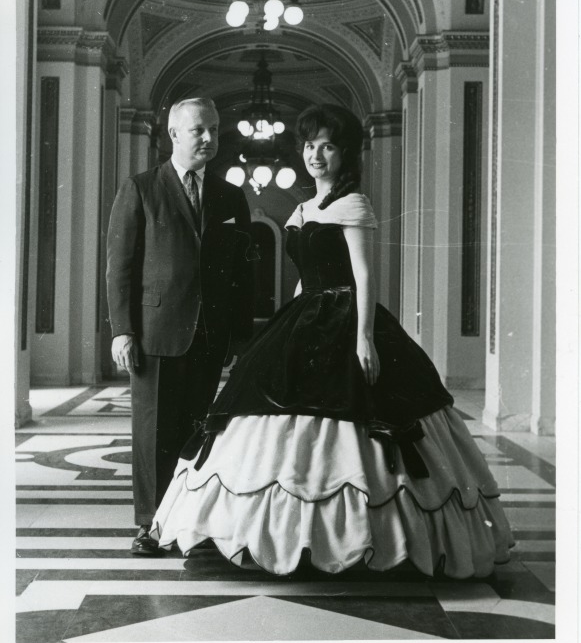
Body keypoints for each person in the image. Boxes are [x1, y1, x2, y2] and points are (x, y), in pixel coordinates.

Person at [151, 103, 514, 577]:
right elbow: (306, 277)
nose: (315, 155)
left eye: (327, 146)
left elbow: (365, 278)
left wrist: (364, 339)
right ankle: (273, 535)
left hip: (350, 319)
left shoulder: (353, 205)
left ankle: (362, 537)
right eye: (308, 145)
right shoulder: (303, 208)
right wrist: (289, 324)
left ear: (345, 155)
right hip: (307, 316)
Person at [106, 97, 253, 556]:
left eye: (213, 128)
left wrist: (240, 336)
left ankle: (187, 520)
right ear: (173, 134)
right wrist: (121, 330)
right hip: (153, 333)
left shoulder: (231, 196)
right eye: (198, 131)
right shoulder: (142, 189)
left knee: (198, 432)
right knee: (153, 435)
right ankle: (150, 526)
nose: (209, 138)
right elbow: (119, 267)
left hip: (210, 335)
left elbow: (243, 270)